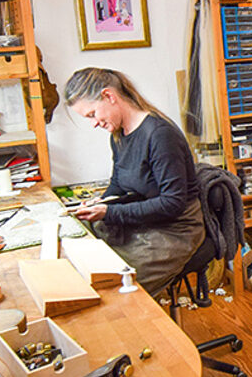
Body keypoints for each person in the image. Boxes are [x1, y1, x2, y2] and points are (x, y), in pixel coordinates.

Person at [64, 67, 204, 294]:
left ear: (109, 96)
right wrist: (100, 203)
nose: (94, 123)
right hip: (145, 218)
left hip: (176, 228)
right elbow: (118, 183)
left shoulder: (159, 134)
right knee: (85, 253)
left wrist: (108, 212)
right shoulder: (119, 134)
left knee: (117, 286)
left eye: (92, 114)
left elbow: (172, 203)